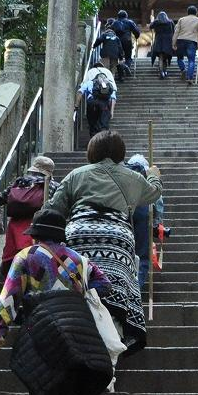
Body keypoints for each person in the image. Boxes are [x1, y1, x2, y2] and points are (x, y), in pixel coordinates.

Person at [0, 207, 115, 395]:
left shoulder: (27, 256)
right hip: (75, 331)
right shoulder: (79, 260)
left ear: (36, 234)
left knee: (41, 384)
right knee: (65, 385)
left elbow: (10, 294)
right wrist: (77, 294)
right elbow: (104, 284)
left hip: (41, 327)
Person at [48, 131, 163, 353]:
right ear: (121, 152)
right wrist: (153, 174)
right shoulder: (132, 177)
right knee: (113, 288)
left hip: (78, 236)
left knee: (77, 285)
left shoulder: (75, 175)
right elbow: (154, 194)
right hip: (116, 240)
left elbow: (54, 209)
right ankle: (114, 332)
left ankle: (72, 328)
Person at [126, 153, 165, 292]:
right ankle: (135, 290)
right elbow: (158, 200)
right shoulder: (149, 173)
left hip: (125, 211)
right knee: (142, 255)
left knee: (127, 252)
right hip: (144, 212)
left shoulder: (125, 173)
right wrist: (157, 222)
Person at [78, 65, 117, 136]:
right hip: (104, 105)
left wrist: (76, 105)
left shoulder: (90, 82)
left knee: (93, 127)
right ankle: (103, 143)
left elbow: (80, 92)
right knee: (104, 127)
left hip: (92, 103)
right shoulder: (109, 83)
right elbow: (113, 98)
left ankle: (94, 142)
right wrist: (111, 112)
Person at [174, 5, 198, 85]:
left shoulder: (181, 20)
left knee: (179, 58)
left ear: (187, 12)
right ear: (196, 13)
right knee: (191, 60)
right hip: (192, 41)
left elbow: (176, 32)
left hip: (180, 40)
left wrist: (173, 43)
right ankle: (190, 78)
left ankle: (183, 69)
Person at [109, 9, 140, 74]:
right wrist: (137, 36)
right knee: (128, 56)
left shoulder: (115, 23)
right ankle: (126, 65)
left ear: (118, 16)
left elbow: (110, 31)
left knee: (119, 56)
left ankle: (120, 70)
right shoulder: (129, 22)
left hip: (117, 41)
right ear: (126, 16)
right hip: (127, 41)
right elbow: (136, 31)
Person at [148, 10, 175, 77]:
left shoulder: (156, 22)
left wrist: (152, 20)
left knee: (160, 56)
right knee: (165, 57)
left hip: (159, 40)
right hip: (168, 41)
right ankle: (164, 71)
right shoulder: (170, 22)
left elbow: (150, 27)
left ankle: (161, 71)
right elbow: (174, 31)